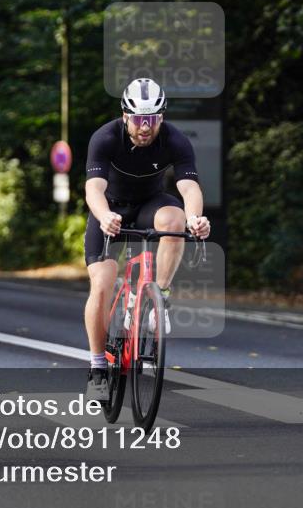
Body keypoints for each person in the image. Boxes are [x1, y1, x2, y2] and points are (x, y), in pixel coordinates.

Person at [82, 78, 211, 401]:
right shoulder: (105, 137)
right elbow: (93, 189)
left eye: (152, 119)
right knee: (102, 282)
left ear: (162, 117)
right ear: (125, 116)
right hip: (110, 210)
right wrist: (103, 216)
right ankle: (98, 367)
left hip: (148, 205)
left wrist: (196, 218)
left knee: (175, 218)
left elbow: (189, 188)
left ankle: (159, 296)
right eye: (139, 119)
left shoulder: (175, 140)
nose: (145, 127)